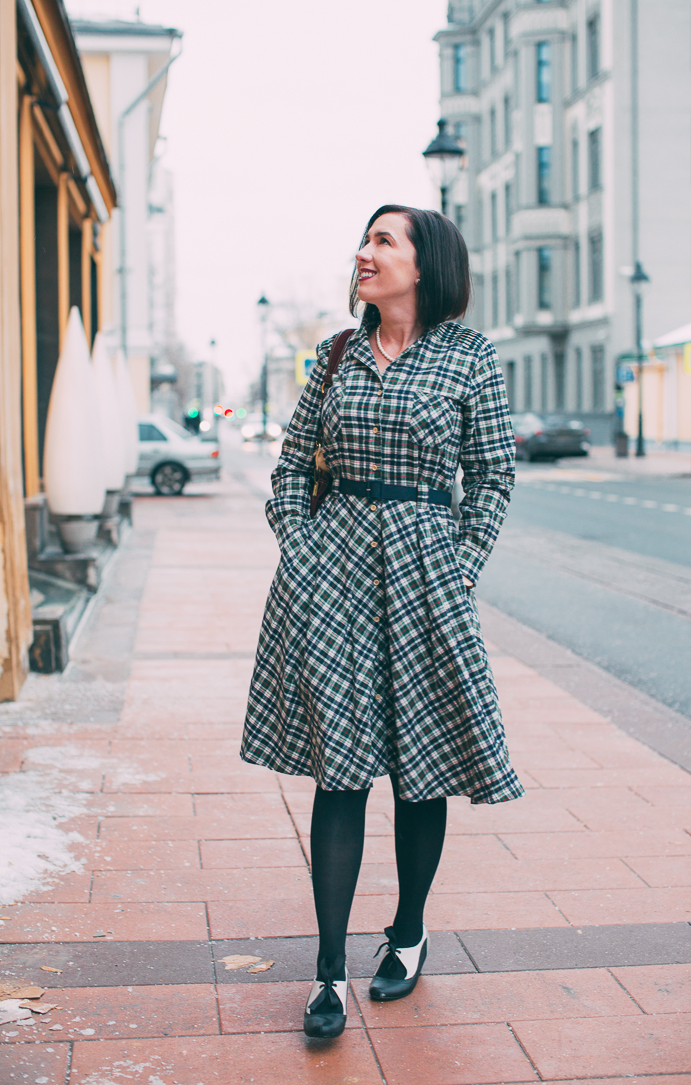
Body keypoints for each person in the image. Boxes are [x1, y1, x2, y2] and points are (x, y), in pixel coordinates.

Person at [241, 204, 523, 1038]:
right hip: (333, 578)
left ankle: (406, 932)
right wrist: (300, 549)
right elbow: (291, 469)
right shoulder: (334, 356)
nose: (363, 253)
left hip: (427, 574)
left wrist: (459, 568)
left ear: (424, 264)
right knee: (341, 766)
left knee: (421, 763)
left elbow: (493, 477)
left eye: (382, 241)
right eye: (364, 241)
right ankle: (328, 966)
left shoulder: (469, 358)